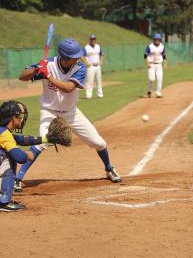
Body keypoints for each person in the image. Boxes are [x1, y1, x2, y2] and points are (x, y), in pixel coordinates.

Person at [14, 38, 121, 192]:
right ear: (64, 57)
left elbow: (68, 88)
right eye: (74, 56)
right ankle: (18, 178)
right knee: (41, 142)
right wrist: (37, 69)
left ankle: (109, 168)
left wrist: (48, 76)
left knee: (99, 142)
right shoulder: (48, 64)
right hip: (49, 111)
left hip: (71, 112)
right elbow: (22, 76)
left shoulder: (79, 68)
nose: (78, 58)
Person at [0, 100, 45, 212]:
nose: (21, 118)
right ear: (12, 118)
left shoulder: (3, 132)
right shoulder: (5, 134)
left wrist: (46, 139)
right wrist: (26, 154)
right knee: (9, 158)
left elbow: (21, 139)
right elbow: (19, 158)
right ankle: (3, 202)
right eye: (19, 116)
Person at [144, 33, 167, 98]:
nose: (157, 41)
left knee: (160, 78)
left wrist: (165, 63)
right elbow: (145, 55)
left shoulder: (162, 46)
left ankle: (158, 93)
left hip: (159, 65)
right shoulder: (150, 46)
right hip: (151, 64)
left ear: (160, 40)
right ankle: (149, 91)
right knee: (151, 79)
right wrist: (147, 63)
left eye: (158, 39)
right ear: (154, 40)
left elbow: (164, 55)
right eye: (156, 39)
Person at [84, 34, 104, 99]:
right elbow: (81, 55)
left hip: (98, 66)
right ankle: (88, 95)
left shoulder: (98, 46)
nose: (93, 40)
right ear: (90, 40)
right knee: (90, 81)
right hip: (90, 66)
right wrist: (86, 62)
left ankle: (100, 94)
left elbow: (102, 54)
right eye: (92, 39)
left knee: (99, 81)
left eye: (94, 39)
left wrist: (101, 61)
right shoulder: (86, 47)